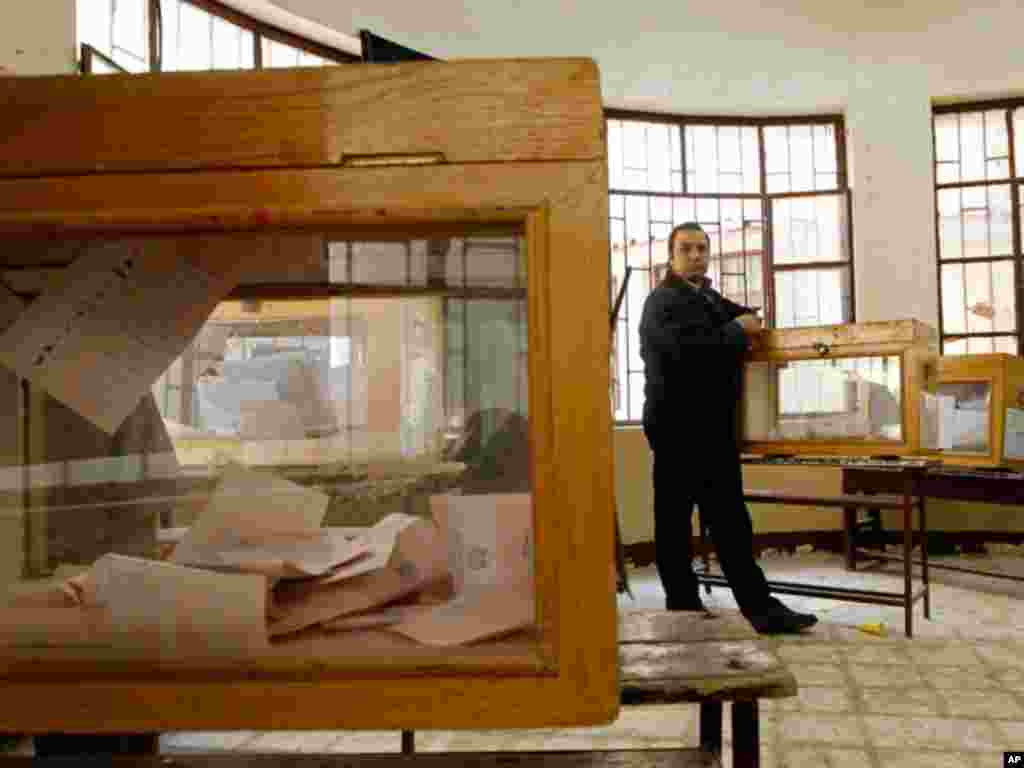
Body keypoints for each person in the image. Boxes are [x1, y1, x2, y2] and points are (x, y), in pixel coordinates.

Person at [638, 222, 817, 634]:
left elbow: (738, 316)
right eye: (686, 249)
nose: (696, 256)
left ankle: (739, 608)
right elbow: (689, 354)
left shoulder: (707, 297)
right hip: (678, 429)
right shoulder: (661, 302)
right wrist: (737, 329)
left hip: (710, 429)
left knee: (721, 521)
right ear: (671, 256)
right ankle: (699, 605)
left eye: (702, 249)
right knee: (684, 521)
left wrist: (746, 320)